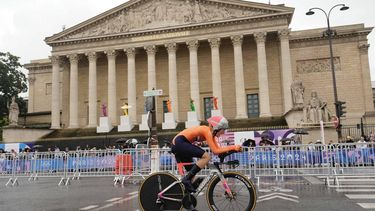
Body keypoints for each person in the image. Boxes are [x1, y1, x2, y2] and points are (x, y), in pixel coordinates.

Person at [171, 115, 241, 192]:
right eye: (223, 129)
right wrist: (233, 147)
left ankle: (187, 199)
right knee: (206, 157)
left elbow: (218, 151)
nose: (224, 132)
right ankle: (186, 179)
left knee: (192, 179)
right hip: (179, 142)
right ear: (217, 128)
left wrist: (232, 151)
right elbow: (215, 151)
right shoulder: (207, 131)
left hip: (180, 144)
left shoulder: (211, 135)